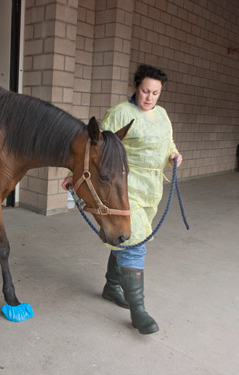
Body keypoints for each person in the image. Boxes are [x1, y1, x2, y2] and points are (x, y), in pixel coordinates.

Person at [62, 64, 183, 334]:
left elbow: (168, 141)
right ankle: (138, 311)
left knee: (125, 238)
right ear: (136, 87)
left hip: (152, 188)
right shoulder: (120, 114)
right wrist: (74, 174)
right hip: (124, 187)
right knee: (134, 241)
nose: (149, 97)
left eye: (155, 93)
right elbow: (95, 150)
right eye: (145, 91)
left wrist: (173, 154)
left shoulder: (162, 115)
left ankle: (111, 286)